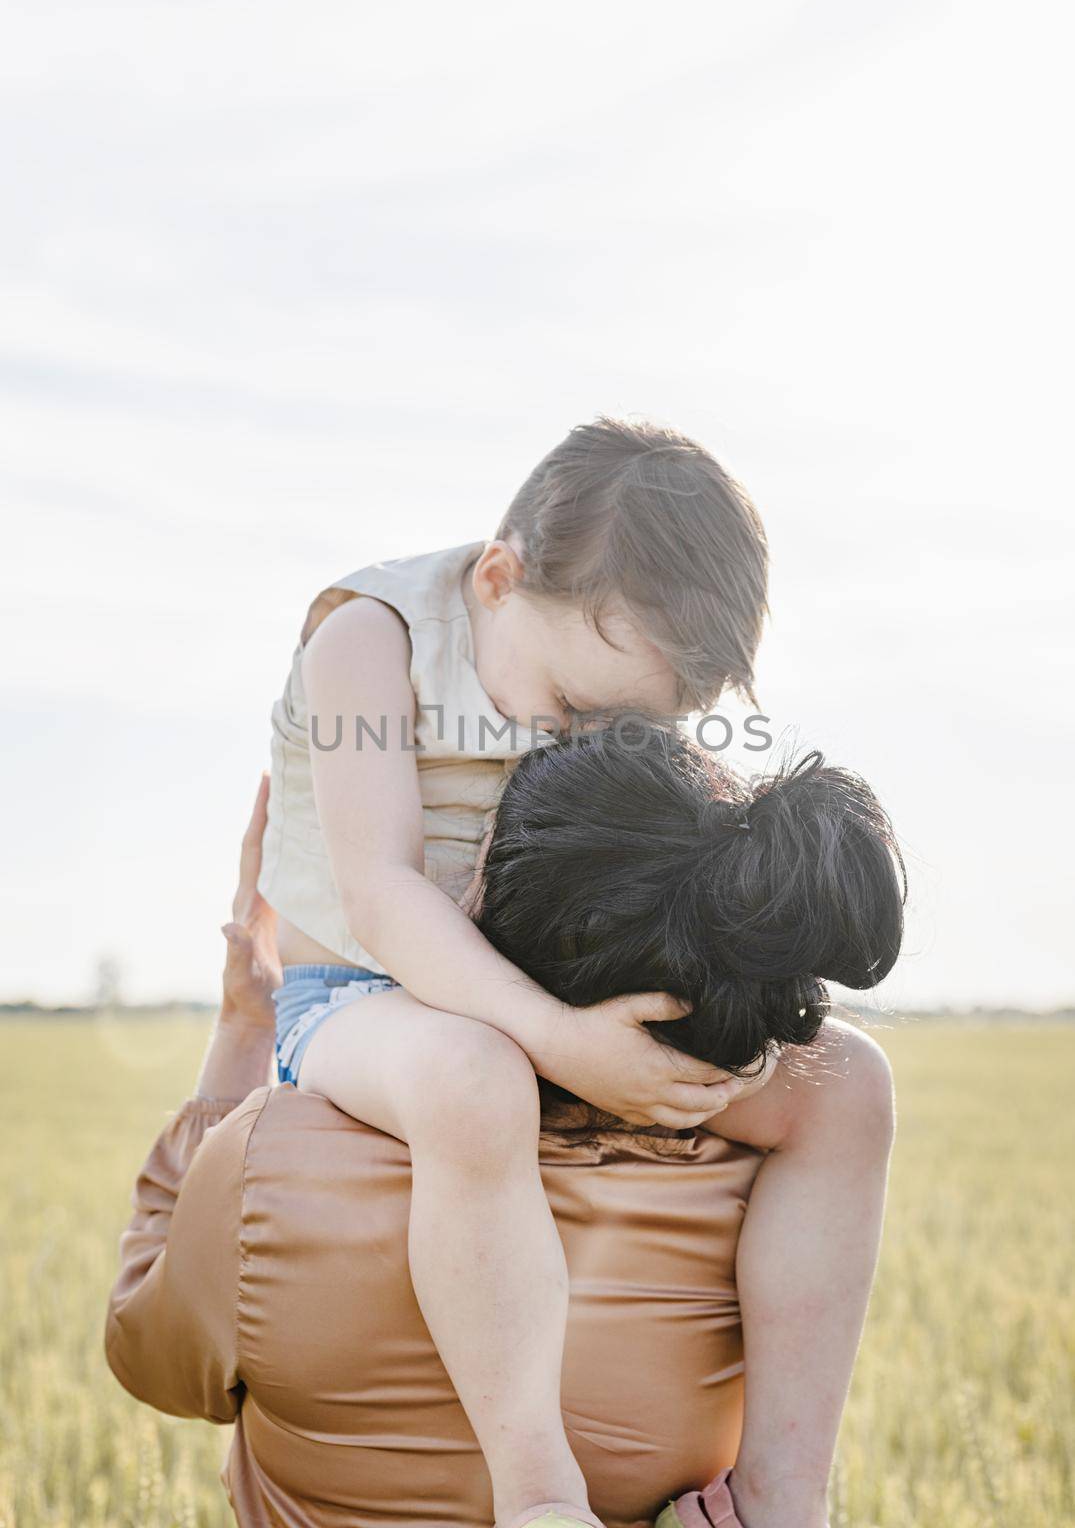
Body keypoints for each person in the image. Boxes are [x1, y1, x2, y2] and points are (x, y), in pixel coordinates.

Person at [255, 416, 894, 1528]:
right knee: (473, 1076)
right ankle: (539, 1488)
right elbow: (384, 893)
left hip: (558, 993)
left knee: (850, 1087)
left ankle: (784, 1490)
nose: (586, 739)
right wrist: (559, 1037)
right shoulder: (366, 639)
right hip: (366, 1000)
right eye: (577, 709)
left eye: (631, 727)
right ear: (499, 578)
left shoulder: (543, 641)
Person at [106, 732, 901, 1528]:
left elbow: (150, 1358)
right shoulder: (775, 1169)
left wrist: (245, 1030)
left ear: (485, 906)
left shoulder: (271, 1164)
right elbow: (842, 1087)